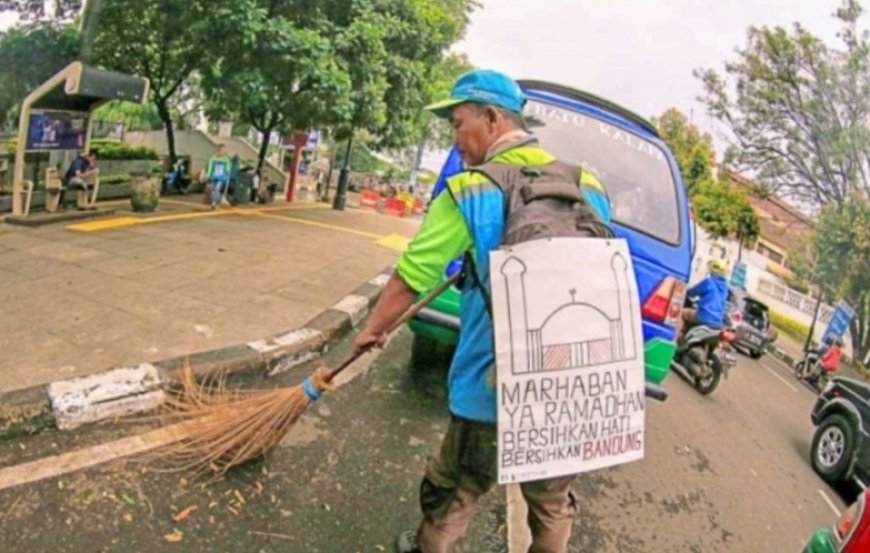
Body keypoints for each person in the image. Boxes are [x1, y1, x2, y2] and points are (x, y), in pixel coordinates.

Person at [352, 70, 612, 553]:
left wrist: (373, 330)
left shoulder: (470, 188)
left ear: (491, 119)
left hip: (491, 387)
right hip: (569, 386)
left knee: (455, 493)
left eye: (457, 123)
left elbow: (412, 276)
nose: (456, 139)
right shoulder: (588, 182)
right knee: (552, 505)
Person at [679, 258, 730, 338]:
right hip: (718, 323)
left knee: (681, 313)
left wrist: (685, 293)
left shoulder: (709, 282)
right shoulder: (725, 288)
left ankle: (677, 337)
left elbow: (693, 291)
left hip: (703, 317)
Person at [206, 144, 232, 209]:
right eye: (219, 149)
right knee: (212, 190)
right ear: (217, 149)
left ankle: (214, 203)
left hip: (221, 177)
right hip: (213, 176)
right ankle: (215, 202)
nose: (220, 150)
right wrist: (209, 176)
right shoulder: (213, 157)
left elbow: (228, 168)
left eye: (222, 149)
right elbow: (210, 167)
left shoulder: (226, 158)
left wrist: (227, 172)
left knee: (217, 189)